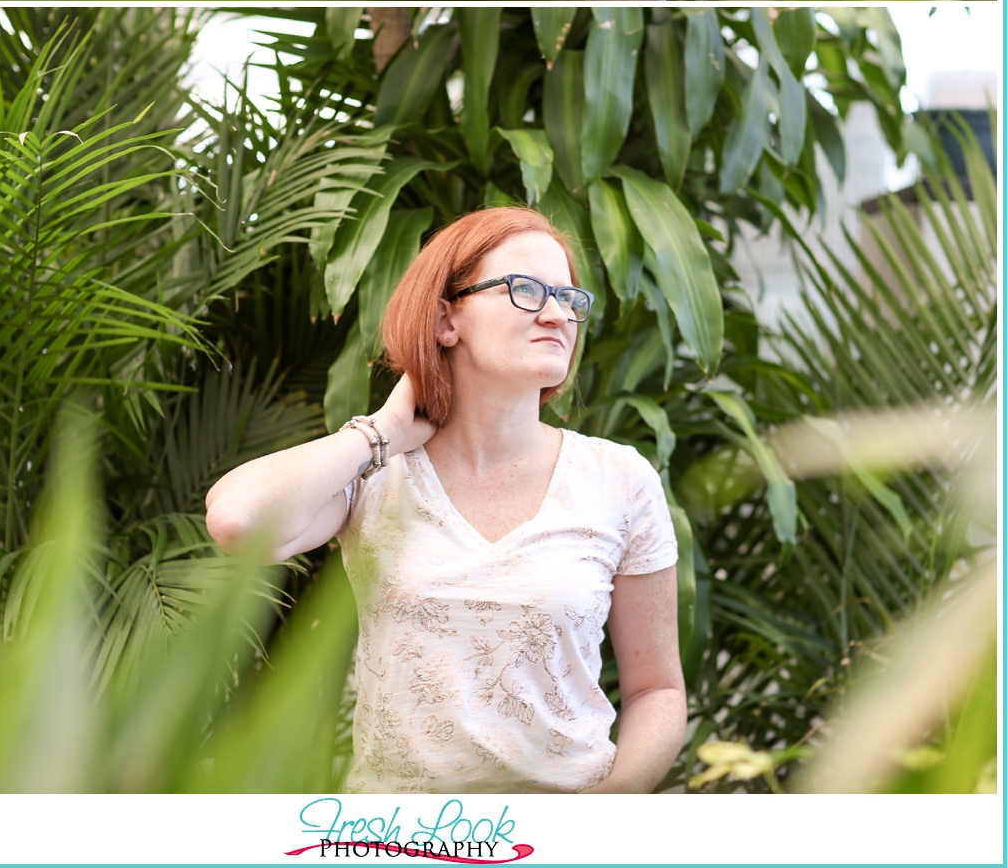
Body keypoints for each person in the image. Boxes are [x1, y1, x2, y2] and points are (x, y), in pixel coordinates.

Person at [205, 207, 686, 794]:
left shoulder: (619, 479)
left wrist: (610, 808)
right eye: (527, 291)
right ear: (444, 319)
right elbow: (236, 521)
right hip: (399, 836)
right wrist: (381, 432)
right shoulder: (376, 475)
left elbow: (656, 690)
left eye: (568, 297)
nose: (558, 314)